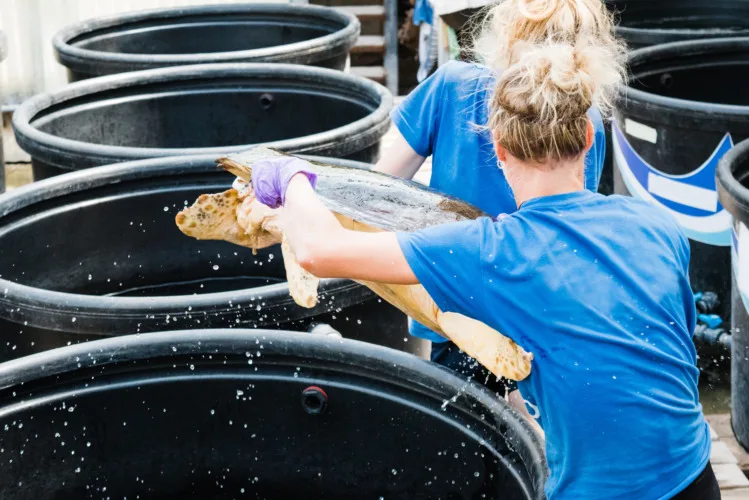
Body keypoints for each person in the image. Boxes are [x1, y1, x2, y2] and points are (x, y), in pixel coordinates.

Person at [240, 36, 718, 499]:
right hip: (696, 476)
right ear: (591, 136)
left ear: (500, 150)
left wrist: (292, 178)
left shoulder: (492, 251)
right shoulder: (657, 225)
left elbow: (320, 251)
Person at [375, 0, 617, 419]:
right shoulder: (584, 117)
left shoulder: (452, 84)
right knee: (533, 439)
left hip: (453, 298)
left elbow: (381, 185)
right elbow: (570, 224)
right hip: (534, 307)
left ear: (505, 33)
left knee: (464, 433)